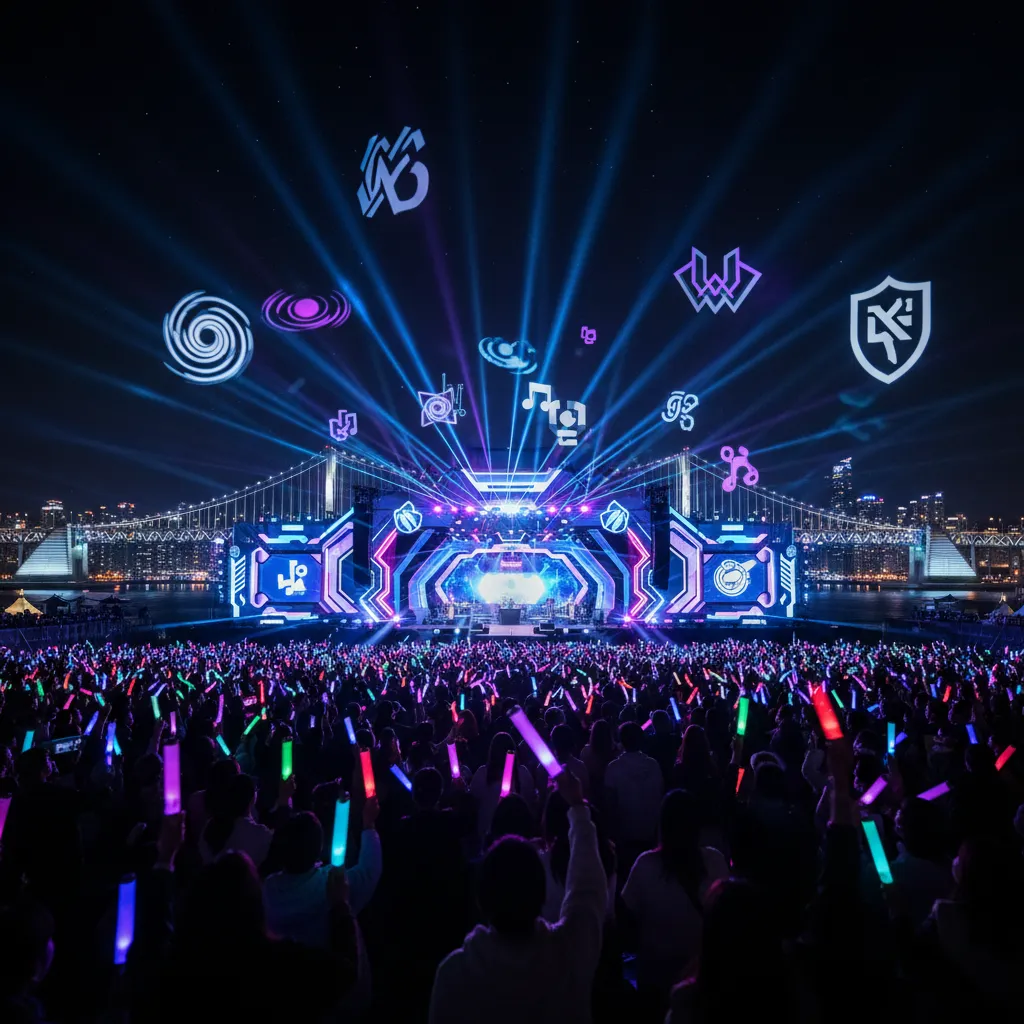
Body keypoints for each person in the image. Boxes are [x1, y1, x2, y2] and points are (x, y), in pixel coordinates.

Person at [429, 770, 606, 1024]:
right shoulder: (569, 953)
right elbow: (587, 890)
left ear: (481, 899)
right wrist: (578, 807)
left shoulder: (454, 974)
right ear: (541, 893)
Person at [620, 789, 728, 1007]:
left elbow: (625, 919)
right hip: (700, 977)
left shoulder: (646, 865)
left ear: (663, 825)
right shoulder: (715, 861)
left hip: (654, 976)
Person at [603, 722, 664, 867]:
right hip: (650, 833)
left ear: (621, 741)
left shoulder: (613, 768)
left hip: (625, 835)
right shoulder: (653, 765)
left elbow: (609, 805)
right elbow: (660, 796)